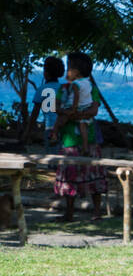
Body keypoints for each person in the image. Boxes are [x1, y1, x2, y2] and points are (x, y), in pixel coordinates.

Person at [52, 53, 107, 222]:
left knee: (92, 174)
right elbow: (57, 107)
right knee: (70, 176)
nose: (66, 72)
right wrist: (72, 113)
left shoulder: (90, 88)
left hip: (86, 139)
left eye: (69, 68)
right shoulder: (64, 88)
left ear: (76, 71)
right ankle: (70, 212)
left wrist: (72, 115)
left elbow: (94, 110)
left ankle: (96, 212)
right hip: (70, 140)